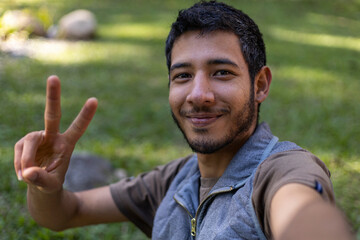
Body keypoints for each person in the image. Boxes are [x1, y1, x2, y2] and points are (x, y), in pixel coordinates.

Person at [14, 1, 354, 239]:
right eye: (182, 76)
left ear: (260, 85)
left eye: (222, 73)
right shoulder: (173, 181)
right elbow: (64, 214)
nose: (198, 94)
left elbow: (303, 211)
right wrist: (46, 185)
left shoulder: (283, 170)